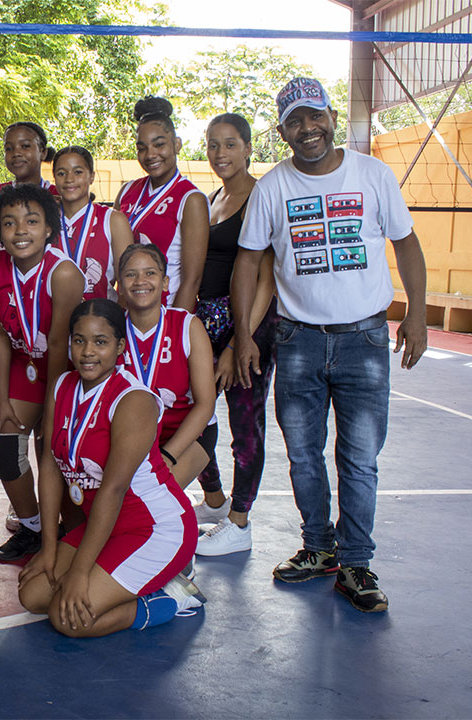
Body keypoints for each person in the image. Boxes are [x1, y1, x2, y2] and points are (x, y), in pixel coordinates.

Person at [231, 77, 427, 613]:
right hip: (297, 341)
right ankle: (319, 547)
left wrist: (417, 312)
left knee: (360, 458)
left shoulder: (372, 174)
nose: (307, 129)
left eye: (314, 116)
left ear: (331, 117)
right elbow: (248, 260)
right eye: (295, 121)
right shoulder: (273, 187)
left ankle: (358, 562)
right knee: (302, 454)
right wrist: (246, 333)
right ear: (283, 131)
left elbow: (406, 242)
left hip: (364, 337)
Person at [18, 299, 203, 637]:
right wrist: (48, 550)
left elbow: (114, 489)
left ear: (119, 347)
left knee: (69, 619)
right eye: (79, 340)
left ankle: (172, 596)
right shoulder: (62, 386)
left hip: (155, 528)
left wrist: (79, 573)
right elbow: (49, 467)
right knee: (32, 596)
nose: (88, 351)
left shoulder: (134, 400)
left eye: (100, 342)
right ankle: (133, 580)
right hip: (105, 524)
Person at [0, 184, 84, 562]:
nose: (20, 230)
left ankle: (71, 531)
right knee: (5, 447)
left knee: (54, 454)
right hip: (24, 370)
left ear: (48, 230)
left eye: (31, 221)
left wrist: (52, 412)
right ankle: (34, 526)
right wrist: (3, 398)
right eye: (9, 223)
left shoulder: (64, 274)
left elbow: (59, 348)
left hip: (70, 378)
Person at [194, 113, 280, 557]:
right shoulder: (213, 197)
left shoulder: (260, 196)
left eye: (230, 144)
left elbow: (265, 276)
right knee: (197, 414)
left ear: (249, 148)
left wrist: (237, 341)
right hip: (204, 322)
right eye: (213, 144)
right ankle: (214, 500)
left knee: (245, 425)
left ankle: (239, 522)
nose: (220, 153)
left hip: (247, 327)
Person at [118, 244, 216, 490]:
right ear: (119, 284)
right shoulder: (110, 328)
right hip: (131, 439)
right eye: (131, 274)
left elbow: (205, 404)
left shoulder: (187, 325)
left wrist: (168, 456)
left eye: (150, 273)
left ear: (165, 283)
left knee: (152, 493)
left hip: (183, 435)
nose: (141, 281)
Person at [115, 96, 210, 312]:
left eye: (159, 144)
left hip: (165, 313)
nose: (150, 155)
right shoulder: (127, 191)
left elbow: (192, 280)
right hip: (127, 310)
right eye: (142, 148)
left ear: (176, 144)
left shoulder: (191, 199)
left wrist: (173, 330)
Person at [52, 145, 134, 301]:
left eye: (78, 172)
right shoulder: (44, 220)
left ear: (91, 176)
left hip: (101, 318)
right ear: (54, 178)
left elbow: (127, 282)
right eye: (62, 173)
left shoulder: (114, 220)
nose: (69, 179)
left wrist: (117, 322)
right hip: (52, 319)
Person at [0, 122, 61, 227]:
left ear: (43, 152)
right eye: (8, 148)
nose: (16, 153)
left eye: (25, 146)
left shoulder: (59, 196)